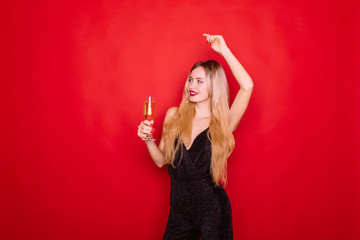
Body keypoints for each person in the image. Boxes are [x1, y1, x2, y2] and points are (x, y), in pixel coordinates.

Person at [137, 34, 254, 240]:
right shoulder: (174, 115)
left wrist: (224, 50)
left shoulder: (222, 122)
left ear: (213, 87)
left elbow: (247, 87)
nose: (192, 86)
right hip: (179, 212)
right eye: (191, 79)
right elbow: (161, 161)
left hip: (213, 211)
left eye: (200, 81)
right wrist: (148, 140)